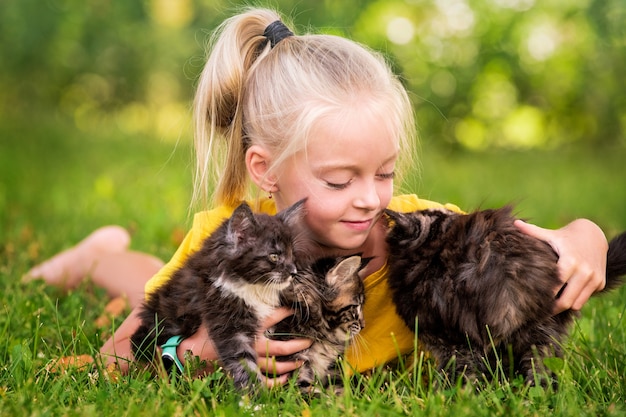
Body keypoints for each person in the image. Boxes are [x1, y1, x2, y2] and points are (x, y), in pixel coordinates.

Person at [24, 8, 608, 385]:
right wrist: (192, 352)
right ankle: (95, 256)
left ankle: (104, 254)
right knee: (147, 282)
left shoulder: (417, 234)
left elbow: (532, 240)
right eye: (338, 181)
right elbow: (116, 356)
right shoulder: (228, 245)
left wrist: (589, 237)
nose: (369, 199)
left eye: (384, 172)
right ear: (266, 172)